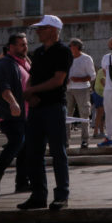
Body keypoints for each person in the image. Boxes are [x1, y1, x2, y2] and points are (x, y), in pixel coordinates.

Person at [19, 14, 72, 211]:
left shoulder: (63, 52)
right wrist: (30, 94)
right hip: (37, 108)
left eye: (42, 28)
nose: (38, 31)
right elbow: (32, 77)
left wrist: (32, 91)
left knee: (58, 152)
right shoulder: (38, 52)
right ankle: (38, 195)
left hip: (54, 106)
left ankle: (61, 195)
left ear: (53, 30)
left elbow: (59, 80)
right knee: (33, 153)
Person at [0, 33, 30, 194]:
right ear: (10, 47)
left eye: (26, 44)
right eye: (21, 44)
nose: (25, 47)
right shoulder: (5, 64)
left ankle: (22, 183)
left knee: (25, 148)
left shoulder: (25, 63)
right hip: (10, 114)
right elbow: (3, 87)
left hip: (26, 114)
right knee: (17, 142)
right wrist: (13, 102)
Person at [66, 38, 95, 149]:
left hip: (82, 89)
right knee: (67, 115)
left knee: (84, 114)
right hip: (68, 89)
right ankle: (66, 140)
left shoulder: (86, 59)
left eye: (71, 45)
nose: (69, 47)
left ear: (77, 47)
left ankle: (85, 140)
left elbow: (92, 76)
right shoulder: (67, 58)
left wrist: (79, 79)